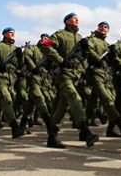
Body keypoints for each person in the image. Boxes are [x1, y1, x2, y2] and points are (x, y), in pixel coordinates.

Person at [40, 13, 99, 149]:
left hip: (75, 76)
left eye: (78, 18)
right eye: (74, 18)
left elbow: (82, 59)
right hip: (63, 74)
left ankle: (52, 136)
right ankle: (85, 131)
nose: (77, 20)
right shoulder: (59, 35)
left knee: (63, 106)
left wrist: (85, 52)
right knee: (75, 98)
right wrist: (61, 60)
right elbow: (45, 45)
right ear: (66, 21)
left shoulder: (79, 37)